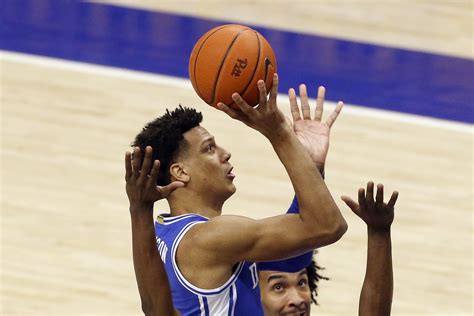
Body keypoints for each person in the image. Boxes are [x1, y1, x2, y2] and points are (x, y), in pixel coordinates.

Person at [125, 74, 348, 315]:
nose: (225, 153)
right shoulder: (209, 239)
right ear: (180, 172)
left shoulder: (164, 233)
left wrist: (311, 166)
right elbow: (327, 226)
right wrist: (279, 133)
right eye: (209, 148)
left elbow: (291, 259)